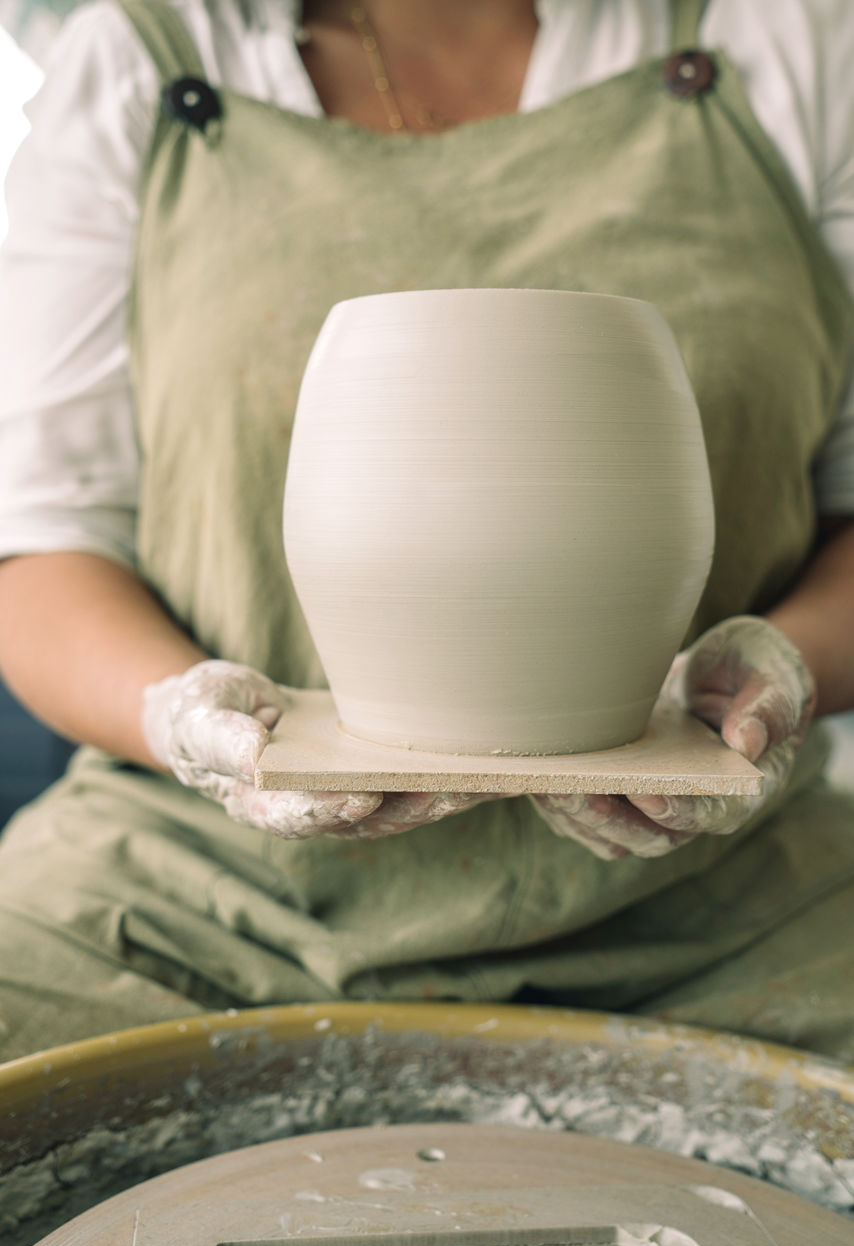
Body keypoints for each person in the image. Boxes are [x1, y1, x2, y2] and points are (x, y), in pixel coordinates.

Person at [1, 0, 854, 1065]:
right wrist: (186, 719)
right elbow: (41, 554)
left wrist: (789, 664)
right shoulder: (142, 59)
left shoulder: (789, 43)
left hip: (726, 906)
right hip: (201, 890)